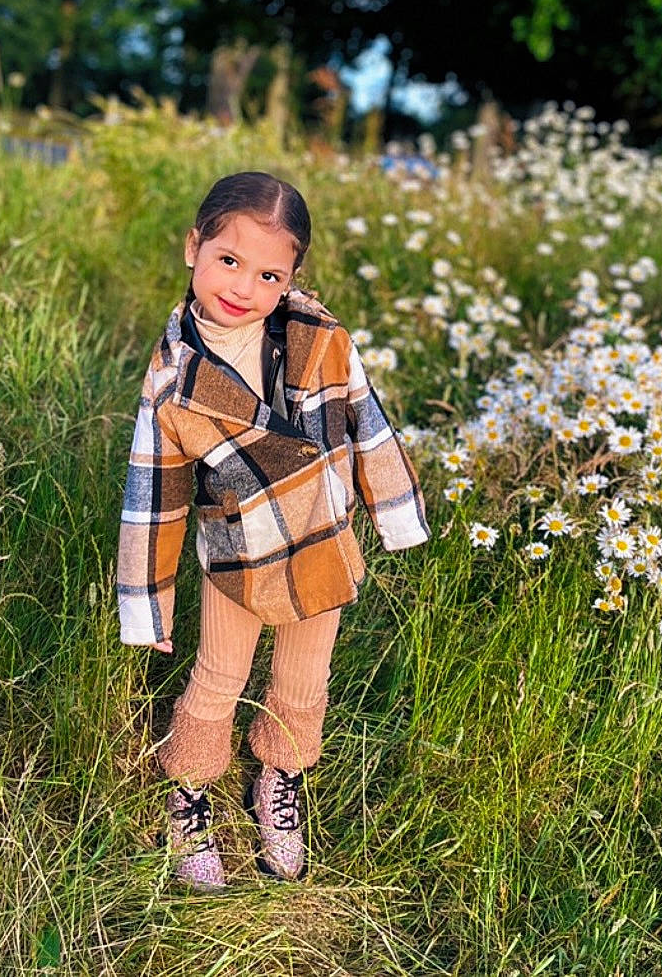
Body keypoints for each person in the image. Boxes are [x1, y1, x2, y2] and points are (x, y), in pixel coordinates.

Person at [117, 170, 431, 890]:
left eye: (267, 273)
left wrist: (393, 515)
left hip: (321, 543)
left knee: (302, 681)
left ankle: (279, 782)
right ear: (194, 247)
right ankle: (190, 791)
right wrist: (149, 601)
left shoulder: (319, 337)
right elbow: (154, 495)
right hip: (240, 554)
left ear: (289, 279)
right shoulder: (174, 378)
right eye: (227, 259)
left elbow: (368, 421)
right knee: (218, 679)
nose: (242, 285)